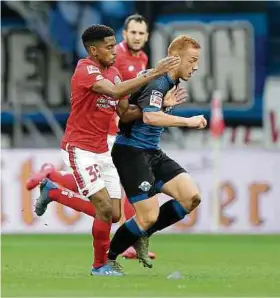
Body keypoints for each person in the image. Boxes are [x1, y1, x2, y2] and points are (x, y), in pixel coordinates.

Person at [33, 24, 181, 276]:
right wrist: (154, 73)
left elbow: (124, 113)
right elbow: (112, 91)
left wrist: (160, 107)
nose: (114, 52)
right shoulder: (85, 69)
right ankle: (99, 265)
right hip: (79, 148)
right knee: (102, 206)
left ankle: (54, 191)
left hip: (103, 150)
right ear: (93, 50)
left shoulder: (113, 72)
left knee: (113, 214)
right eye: (109, 47)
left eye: (114, 46)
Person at [105, 35, 206, 269]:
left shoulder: (170, 81)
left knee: (192, 197)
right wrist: (188, 121)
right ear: (176, 58)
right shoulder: (158, 81)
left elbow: (148, 109)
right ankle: (109, 259)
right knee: (147, 216)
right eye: (191, 60)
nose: (196, 66)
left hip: (152, 151)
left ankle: (143, 234)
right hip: (131, 152)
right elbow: (150, 116)